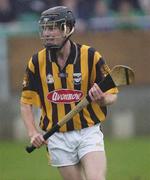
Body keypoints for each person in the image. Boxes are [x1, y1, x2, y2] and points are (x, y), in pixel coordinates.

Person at [20, 6, 118, 180]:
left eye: (53, 28)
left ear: (68, 29)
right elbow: (26, 102)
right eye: (45, 28)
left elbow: (112, 94)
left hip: (89, 131)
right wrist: (32, 132)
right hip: (57, 136)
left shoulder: (90, 56)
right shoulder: (36, 62)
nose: (48, 33)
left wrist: (103, 99)